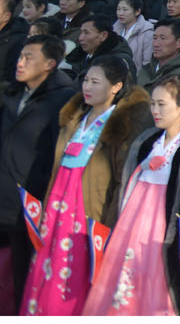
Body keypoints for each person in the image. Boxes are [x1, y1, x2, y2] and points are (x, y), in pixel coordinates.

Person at [81, 75, 180, 314]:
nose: (155, 110)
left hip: (164, 229)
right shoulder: (147, 140)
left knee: (157, 288)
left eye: (162, 104)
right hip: (132, 225)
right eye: (153, 104)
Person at [22, 55, 152, 315]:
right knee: (47, 264)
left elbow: (119, 179)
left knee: (77, 271)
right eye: (85, 80)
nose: (87, 87)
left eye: (95, 82)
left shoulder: (120, 123)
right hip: (58, 201)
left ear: (116, 87)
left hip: (87, 208)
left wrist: (111, 220)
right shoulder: (76, 117)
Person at [0, 35, 78, 313]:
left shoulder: (65, 99)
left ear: (50, 64)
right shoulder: (11, 92)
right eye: (20, 57)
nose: (20, 63)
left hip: (31, 203)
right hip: (3, 194)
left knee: (25, 275)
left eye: (28, 58)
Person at [137, 17, 180, 88]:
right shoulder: (145, 71)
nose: (155, 44)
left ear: (179, 42)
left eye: (163, 38)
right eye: (155, 38)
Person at [113, 0, 156, 70]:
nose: (120, 13)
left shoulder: (147, 31)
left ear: (137, 11)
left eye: (125, 9)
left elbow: (147, 62)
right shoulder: (115, 29)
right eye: (118, 9)